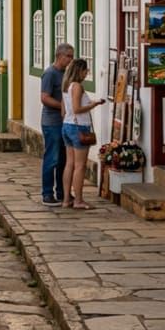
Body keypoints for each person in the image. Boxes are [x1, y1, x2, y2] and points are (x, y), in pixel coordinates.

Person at [62, 58, 106, 209]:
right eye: (86, 70)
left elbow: (66, 110)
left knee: (69, 164)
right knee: (80, 166)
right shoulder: (77, 87)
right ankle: (78, 200)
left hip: (67, 125)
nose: (87, 73)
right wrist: (93, 104)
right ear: (80, 71)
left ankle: (67, 198)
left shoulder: (66, 86)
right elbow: (77, 109)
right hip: (79, 127)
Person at [41, 43, 75, 206]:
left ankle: (62, 192)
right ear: (59, 56)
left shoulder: (66, 74)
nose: (70, 59)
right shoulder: (50, 73)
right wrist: (63, 106)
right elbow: (45, 97)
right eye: (68, 56)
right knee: (52, 158)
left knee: (63, 159)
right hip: (52, 122)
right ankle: (47, 193)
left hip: (65, 122)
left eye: (72, 56)